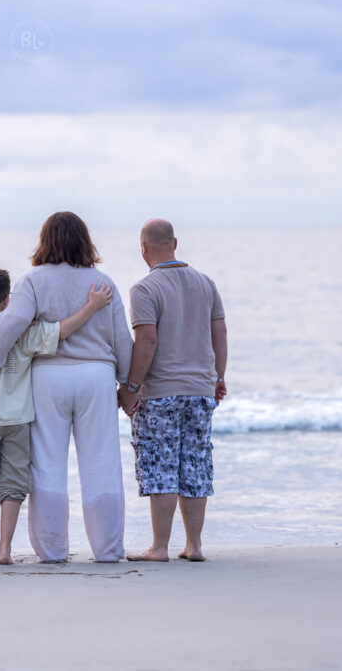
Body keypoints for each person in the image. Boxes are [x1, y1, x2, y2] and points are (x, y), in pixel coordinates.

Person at [0, 212, 133, 563]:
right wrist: (127, 384)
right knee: (102, 463)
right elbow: (123, 340)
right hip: (96, 375)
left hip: (49, 377)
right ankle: (107, 549)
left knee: (47, 464)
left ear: (45, 241)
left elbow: (12, 323)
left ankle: (52, 549)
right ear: (85, 241)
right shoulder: (104, 282)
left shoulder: (33, 280)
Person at [0, 268, 113, 565]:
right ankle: (5, 550)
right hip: (18, 419)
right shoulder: (23, 328)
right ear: (8, 301)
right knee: (13, 485)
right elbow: (63, 330)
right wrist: (92, 305)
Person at [117, 219, 228, 562]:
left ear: (143, 248)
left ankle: (159, 547)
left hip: (161, 391)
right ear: (175, 243)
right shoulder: (205, 283)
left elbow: (147, 340)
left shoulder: (145, 289)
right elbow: (220, 333)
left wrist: (131, 387)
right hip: (199, 389)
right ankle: (194, 546)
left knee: (161, 466)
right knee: (195, 464)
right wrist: (218, 377)